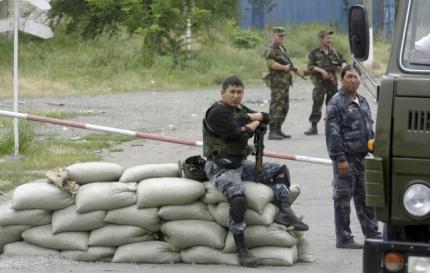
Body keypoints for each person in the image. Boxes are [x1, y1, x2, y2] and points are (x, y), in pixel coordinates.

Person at [203, 76, 309, 267]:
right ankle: (242, 248)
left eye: (239, 92)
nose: (236, 96)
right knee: (239, 199)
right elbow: (238, 133)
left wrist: (251, 119)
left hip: (239, 163)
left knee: (279, 170)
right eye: (232, 92)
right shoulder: (217, 112)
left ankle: (284, 210)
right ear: (222, 93)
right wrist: (254, 121)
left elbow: (266, 117)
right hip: (220, 166)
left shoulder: (239, 110)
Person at [325, 66, 382, 249]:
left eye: (356, 77)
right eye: (349, 77)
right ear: (342, 79)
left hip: (363, 157)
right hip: (346, 159)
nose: (353, 80)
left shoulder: (362, 101)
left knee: (365, 197)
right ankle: (343, 238)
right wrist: (340, 158)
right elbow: (332, 133)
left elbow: (369, 129)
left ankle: (372, 233)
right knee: (342, 199)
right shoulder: (336, 103)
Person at [304, 30, 347, 136]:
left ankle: (331, 126)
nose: (329, 40)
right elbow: (310, 66)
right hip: (319, 82)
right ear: (321, 39)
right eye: (327, 38)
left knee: (332, 104)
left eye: (330, 38)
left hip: (332, 82)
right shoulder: (314, 52)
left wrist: (344, 66)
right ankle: (313, 127)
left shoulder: (335, 52)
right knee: (317, 102)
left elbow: (343, 61)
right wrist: (322, 71)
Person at [265, 27, 295, 140]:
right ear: (274, 36)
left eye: (283, 36)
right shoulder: (271, 49)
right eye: (279, 35)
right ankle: (272, 130)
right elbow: (271, 64)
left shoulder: (282, 49)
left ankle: (278, 128)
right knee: (276, 105)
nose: (282, 38)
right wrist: (284, 67)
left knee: (284, 105)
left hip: (285, 82)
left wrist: (292, 68)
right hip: (277, 82)